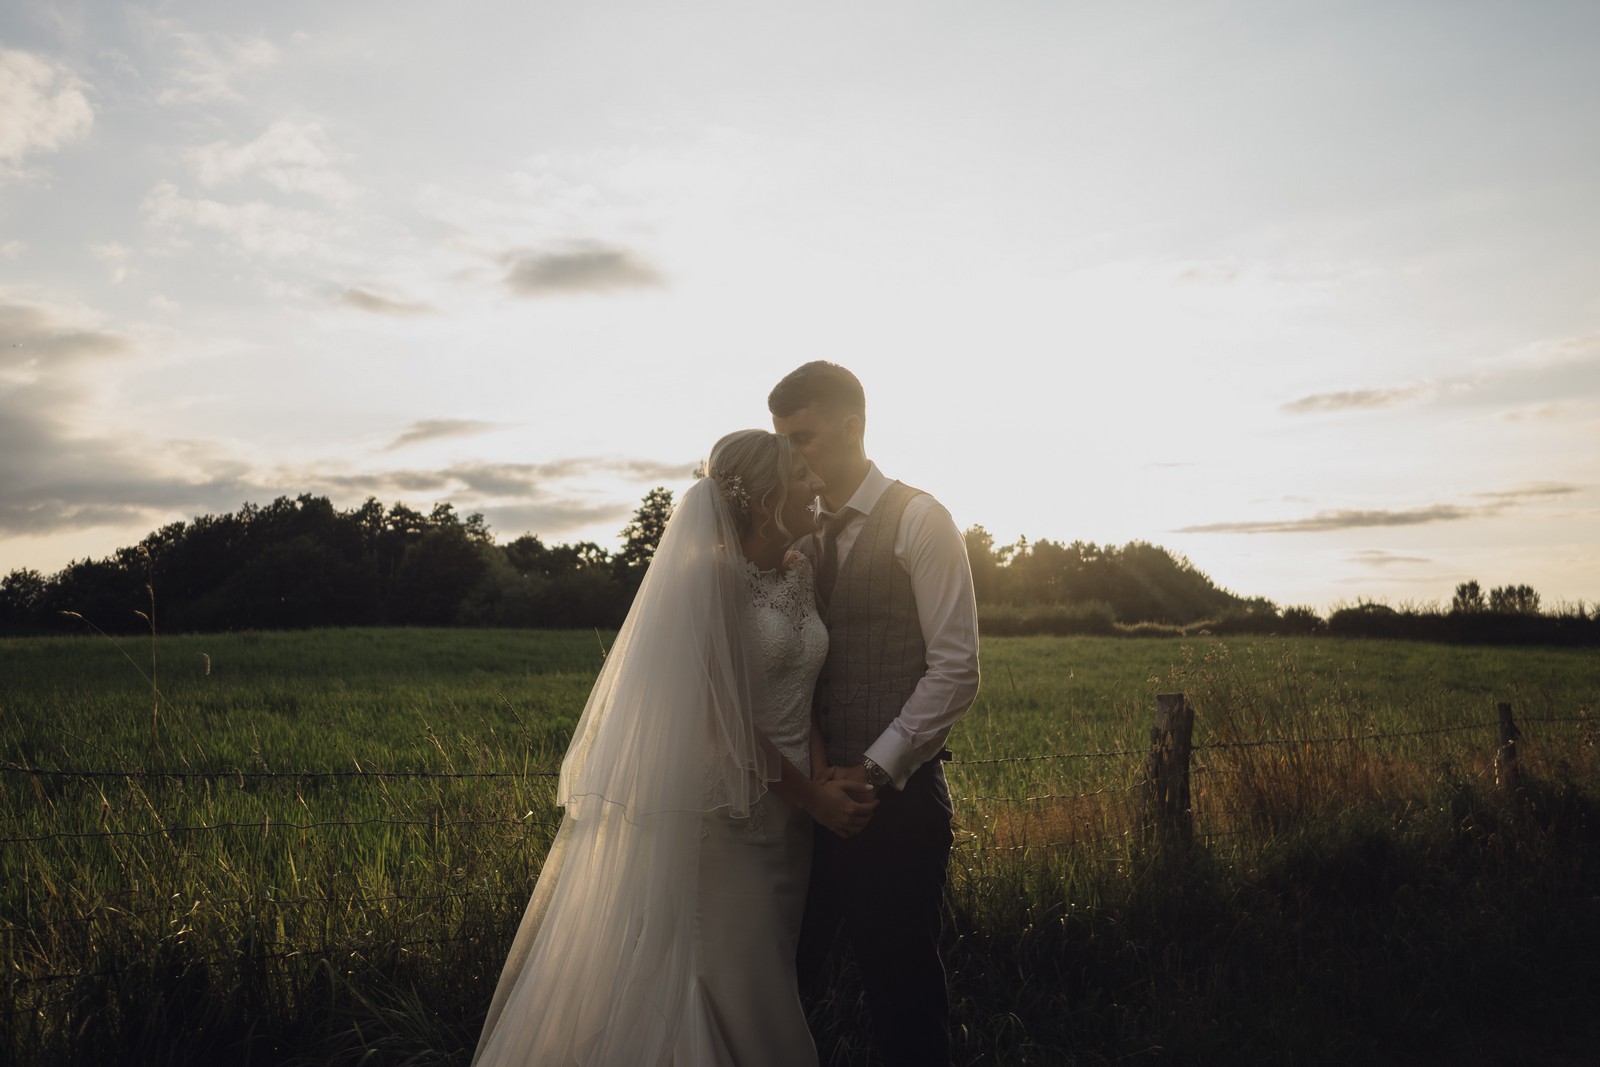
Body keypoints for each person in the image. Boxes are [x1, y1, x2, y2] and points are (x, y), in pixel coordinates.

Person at [471, 429, 878, 1067]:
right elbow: (723, 719)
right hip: (729, 816)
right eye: (802, 477)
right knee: (729, 982)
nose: (817, 486)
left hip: (794, 815)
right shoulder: (710, 578)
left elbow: (803, 680)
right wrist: (811, 796)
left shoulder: (799, 573)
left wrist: (820, 773)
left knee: (762, 969)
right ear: (768, 495)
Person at [769, 362, 981, 1067]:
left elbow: (956, 669)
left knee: (904, 1003)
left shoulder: (921, 520)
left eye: (804, 437)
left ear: (855, 426)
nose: (792, 457)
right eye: (782, 441)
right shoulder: (801, 541)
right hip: (805, 805)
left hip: (897, 805)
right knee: (788, 991)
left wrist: (876, 768)